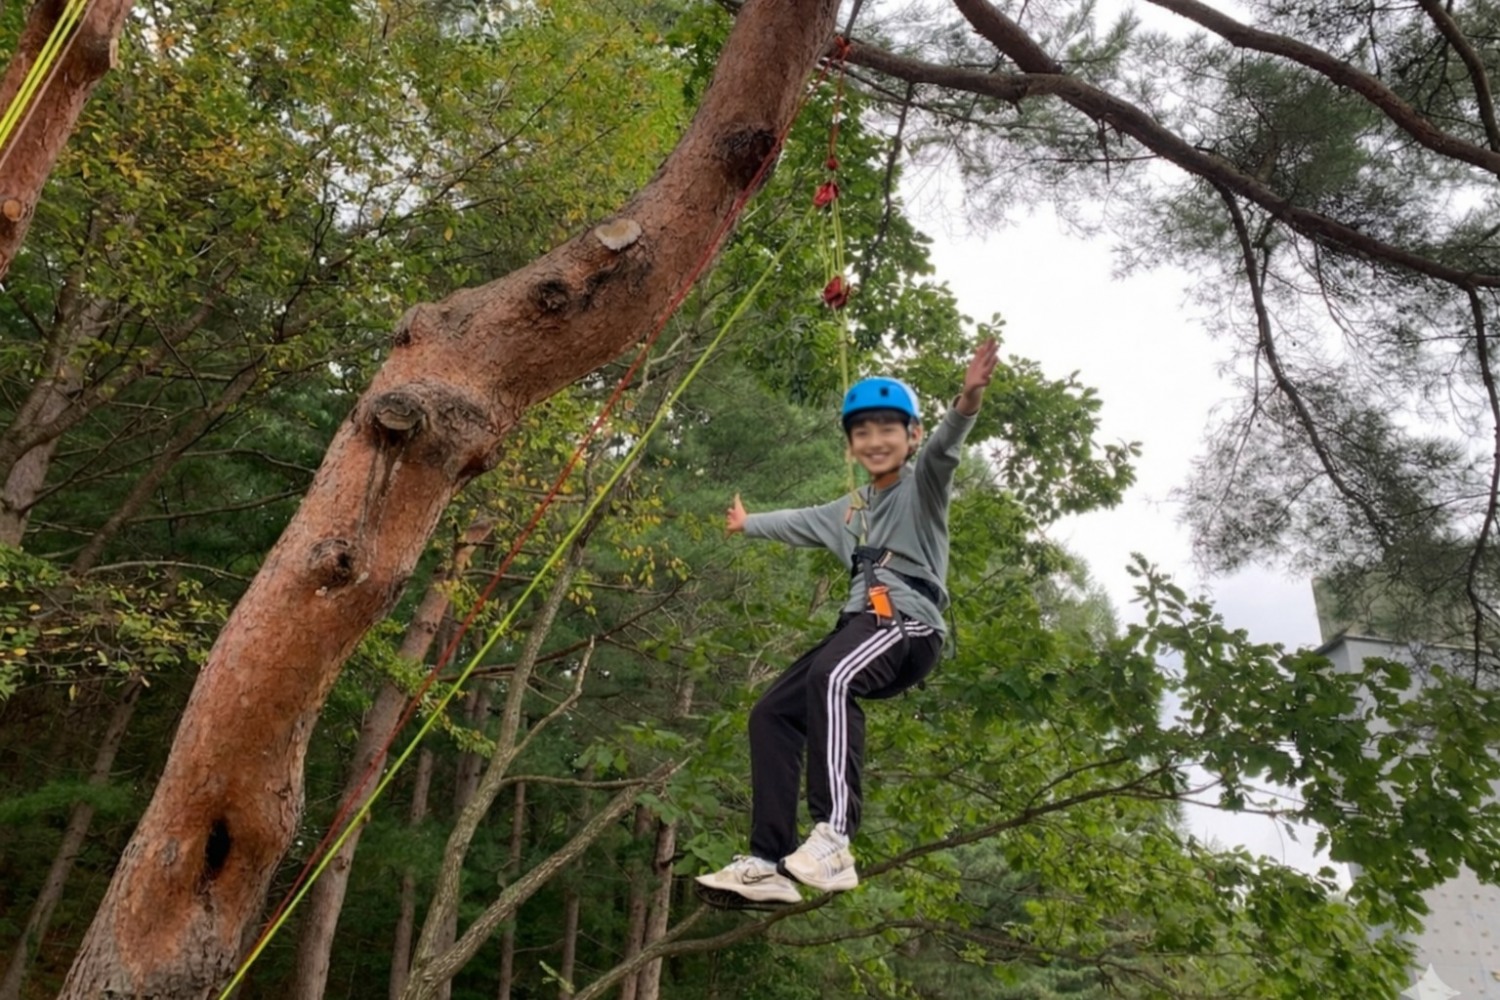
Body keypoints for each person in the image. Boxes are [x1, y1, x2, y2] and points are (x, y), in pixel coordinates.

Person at [695, 339, 999, 909]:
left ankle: (834, 836)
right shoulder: (850, 510)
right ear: (852, 446)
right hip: (861, 627)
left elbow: (945, 447)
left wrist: (968, 397)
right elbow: (799, 521)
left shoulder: (923, 487)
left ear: (909, 437)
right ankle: (768, 861)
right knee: (772, 714)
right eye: (863, 432)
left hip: (908, 626)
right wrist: (749, 522)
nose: (876, 440)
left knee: (832, 677)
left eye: (890, 429)